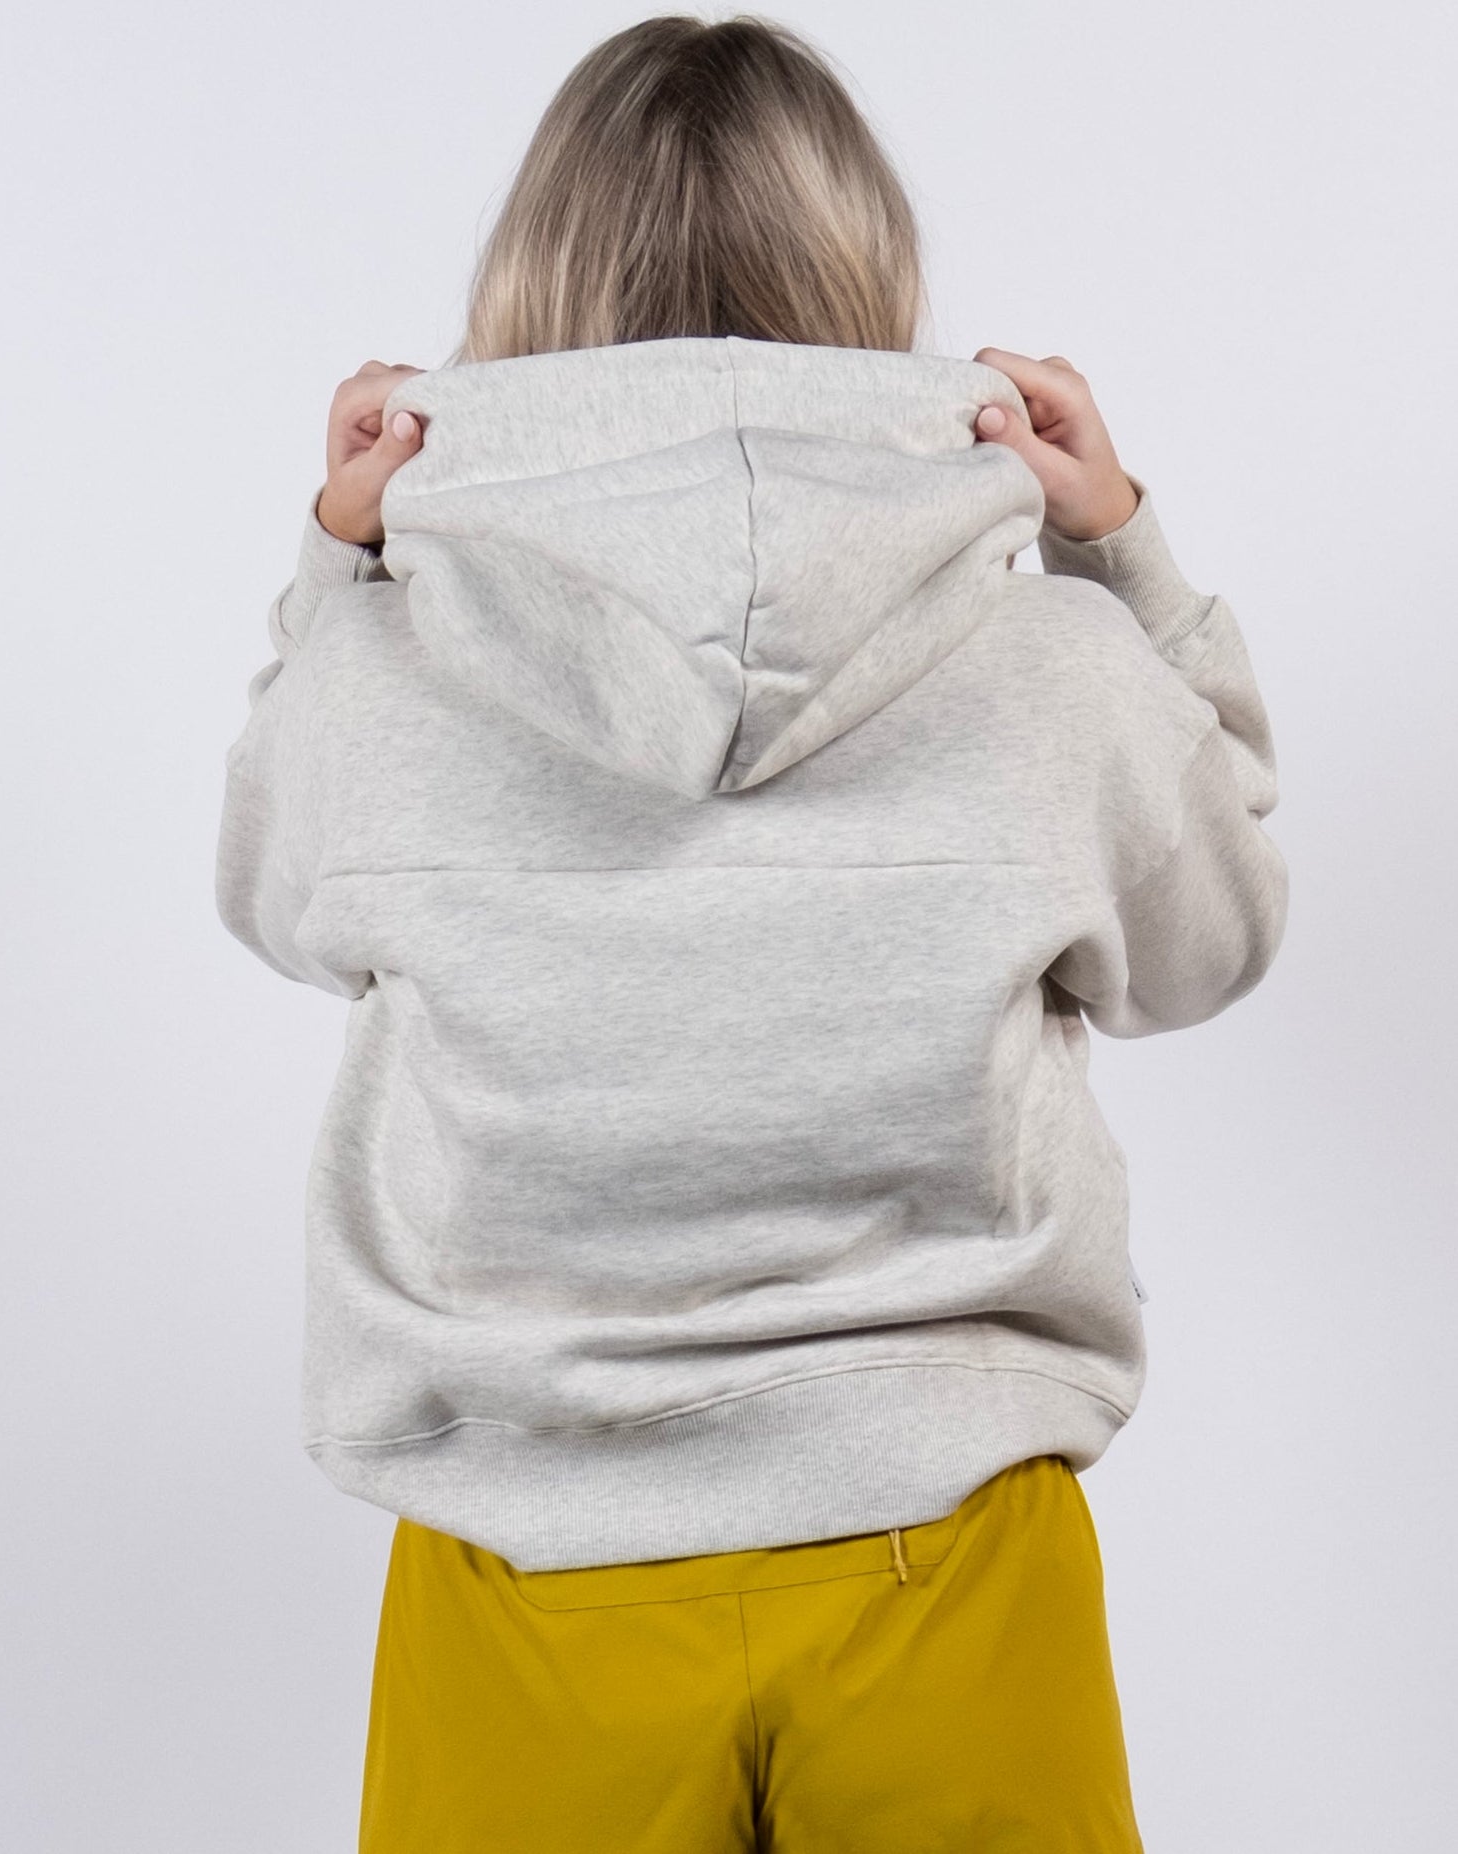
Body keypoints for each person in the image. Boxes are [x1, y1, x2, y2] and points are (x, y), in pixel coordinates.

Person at [214, 14, 1288, 1852]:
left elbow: (266, 893)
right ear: (865, 270)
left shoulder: (382, 683)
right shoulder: (1052, 668)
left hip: (527, 1556)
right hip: (951, 1547)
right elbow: (1218, 935)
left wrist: (343, 564)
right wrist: (1128, 565)